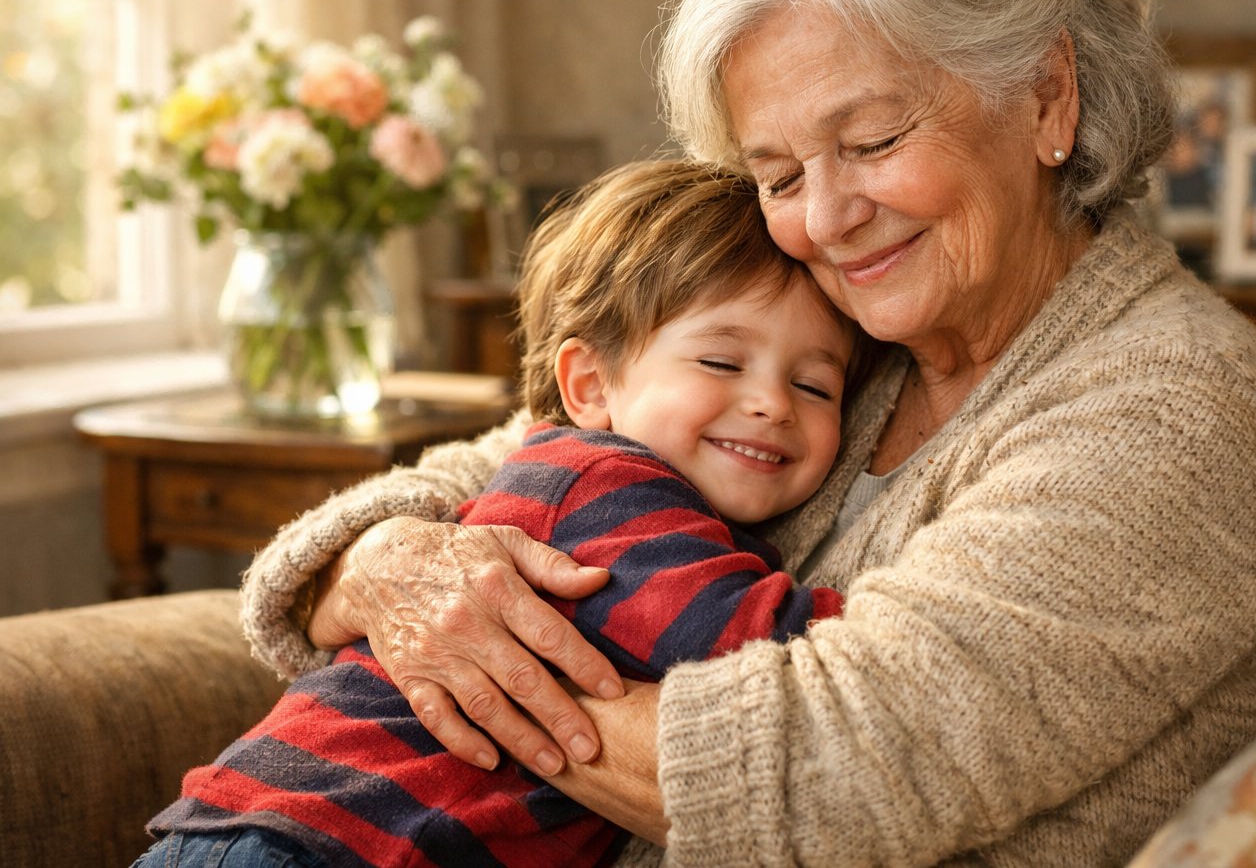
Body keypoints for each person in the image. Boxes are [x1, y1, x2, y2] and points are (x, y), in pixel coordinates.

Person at [239, 0, 1256, 865]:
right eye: (778, 173)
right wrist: (387, 563)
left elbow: (832, 766)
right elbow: (539, 455)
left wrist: (485, 659)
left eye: (872, 142)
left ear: (1048, 96)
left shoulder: (1175, 410)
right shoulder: (851, 342)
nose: (827, 218)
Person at [136, 162, 858, 868]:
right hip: (319, 838)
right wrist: (871, 621)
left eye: (814, 385)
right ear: (590, 384)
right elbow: (736, 634)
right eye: (723, 364)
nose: (773, 403)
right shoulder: (605, 483)